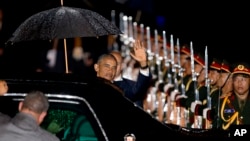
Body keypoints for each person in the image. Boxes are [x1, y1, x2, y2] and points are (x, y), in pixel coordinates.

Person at [110, 40, 152, 107]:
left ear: (122, 65)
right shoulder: (97, 84)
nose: (112, 67)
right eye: (108, 64)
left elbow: (137, 91)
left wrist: (143, 64)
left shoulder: (131, 86)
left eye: (116, 63)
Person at [218, 62, 250, 130]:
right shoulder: (223, 103)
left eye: (243, 79)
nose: (239, 83)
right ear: (232, 81)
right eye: (236, 79)